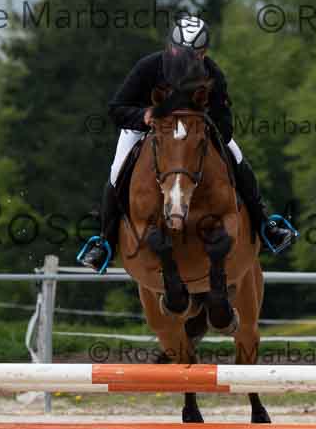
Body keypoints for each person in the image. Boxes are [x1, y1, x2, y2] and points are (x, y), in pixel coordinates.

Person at [77, 15, 298, 274]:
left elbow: (225, 127)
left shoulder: (212, 73)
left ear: (203, 54)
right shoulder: (149, 66)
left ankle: (266, 225)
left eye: (191, 56)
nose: (182, 60)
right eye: (177, 52)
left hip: (193, 134)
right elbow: (116, 109)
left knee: (238, 159)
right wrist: (144, 115)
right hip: (145, 129)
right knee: (116, 172)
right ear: (169, 47)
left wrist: (201, 124)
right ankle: (105, 241)